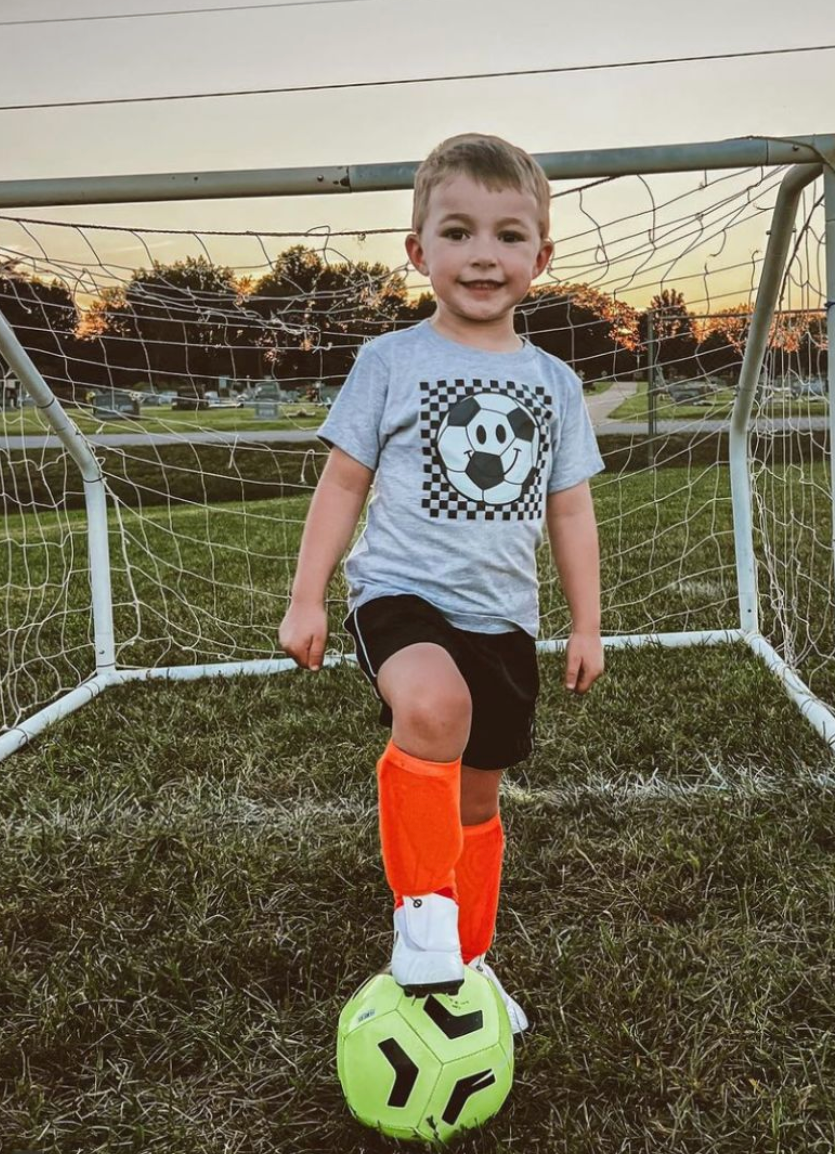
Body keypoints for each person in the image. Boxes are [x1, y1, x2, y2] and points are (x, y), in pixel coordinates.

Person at [278, 134, 605, 1033]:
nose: (483, 256)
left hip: (504, 619)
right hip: (400, 595)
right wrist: (308, 596)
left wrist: (586, 625)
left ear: (540, 257)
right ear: (419, 250)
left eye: (507, 236)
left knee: (478, 798)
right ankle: (420, 915)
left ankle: (469, 958)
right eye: (458, 232)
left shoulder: (555, 384)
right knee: (432, 705)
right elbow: (342, 482)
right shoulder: (389, 362)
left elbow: (570, 513)